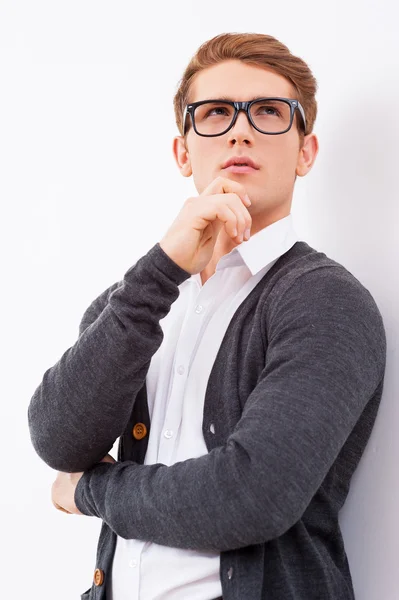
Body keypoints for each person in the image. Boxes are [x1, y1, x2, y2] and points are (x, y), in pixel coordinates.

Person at [28, 32, 387, 600]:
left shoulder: (325, 301)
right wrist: (162, 269)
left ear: (305, 152)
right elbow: (58, 439)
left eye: (269, 112)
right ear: (182, 152)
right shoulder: (137, 300)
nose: (241, 129)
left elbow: (252, 495)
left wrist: (90, 492)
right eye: (216, 113)